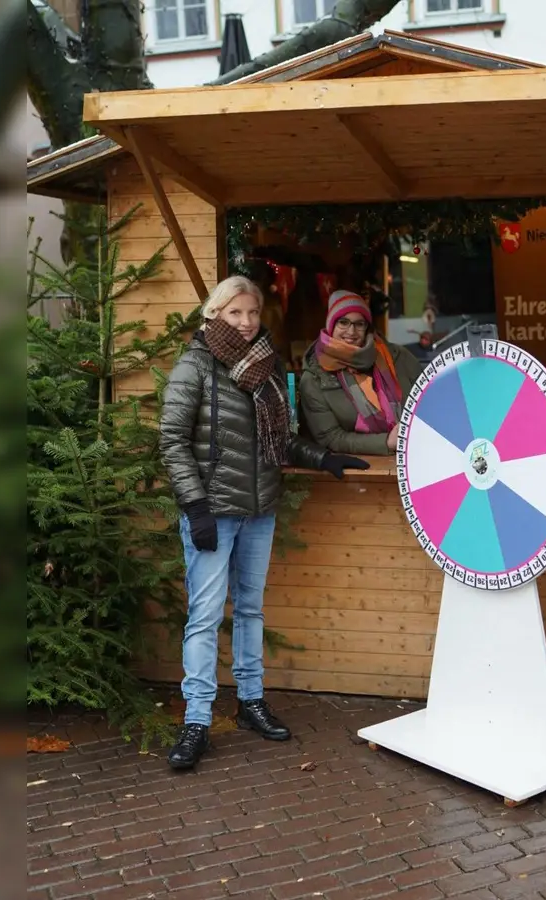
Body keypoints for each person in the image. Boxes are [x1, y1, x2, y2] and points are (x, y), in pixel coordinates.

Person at [159, 275, 369, 770]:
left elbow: (281, 440)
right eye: (236, 313)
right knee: (206, 617)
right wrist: (195, 507)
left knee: (250, 609)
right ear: (215, 314)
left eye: (253, 313)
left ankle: (251, 702)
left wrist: (323, 458)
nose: (247, 322)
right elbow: (172, 441)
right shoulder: (195, 365)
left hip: (259, 510)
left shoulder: (268, 367)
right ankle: (197, 720)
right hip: (212, 510)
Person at [298, 290, 422, 456]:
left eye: (359, 324)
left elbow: (431, 400)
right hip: (360, 475)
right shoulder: (314, 377)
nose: (351, 331)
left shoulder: (398, 357)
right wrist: (386, 442)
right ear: (331, 325)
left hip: (418, 457)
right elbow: (331, 438)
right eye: (343, 322)